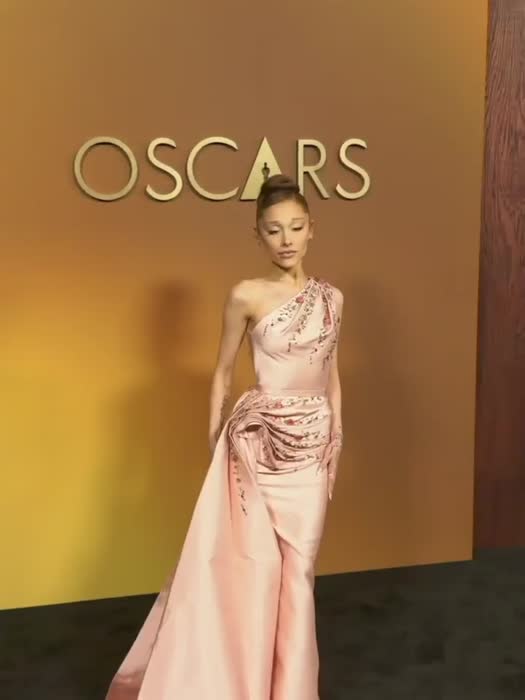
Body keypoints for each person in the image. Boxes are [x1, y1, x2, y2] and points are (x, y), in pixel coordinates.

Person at [104, 174, 344, 700]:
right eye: (274, 229)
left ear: (312, 229)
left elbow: (330, 373)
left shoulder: (332, 299)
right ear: (258, 235)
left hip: (312, 443)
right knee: (257, 569)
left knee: (300, 571)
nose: (286, 239)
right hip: (256, 442)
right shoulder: (245, 295)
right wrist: (217, 440)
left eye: (296, 227)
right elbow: (223, 370)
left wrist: (336, 438)